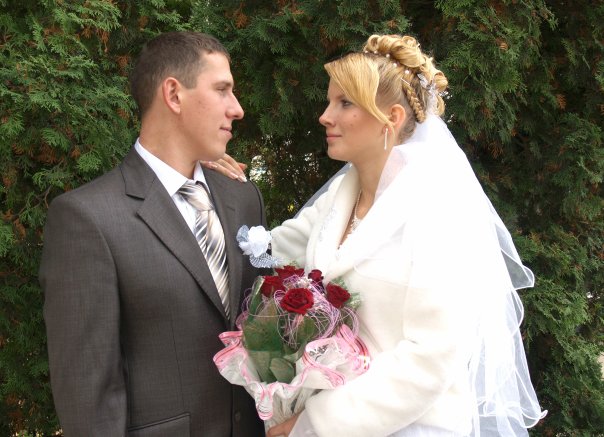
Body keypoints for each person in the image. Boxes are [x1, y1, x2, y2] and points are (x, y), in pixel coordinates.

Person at [209, 34, 546, 436]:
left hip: (412, 427)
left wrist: (315, 422)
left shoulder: (436, 212)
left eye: (344, 103)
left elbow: (431, 357)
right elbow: (267, 253)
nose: (325, 116)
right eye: (330, 101)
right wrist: (210, 182)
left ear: (393, 118)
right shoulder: (342, 192)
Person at [40, 31, 266, 436]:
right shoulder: (88, 219)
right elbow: (88, 398)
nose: (237, 108)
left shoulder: (243, 199)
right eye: (222, 90)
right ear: (174, 95)